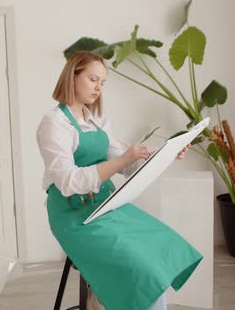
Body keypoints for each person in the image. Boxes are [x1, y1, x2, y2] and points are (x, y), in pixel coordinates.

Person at [36, 51, 203, 310]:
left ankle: (107, 299)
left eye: (102, 83)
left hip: (107, 204)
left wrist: (166, 156)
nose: (98, 88)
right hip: (73, 215)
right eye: (93, 79)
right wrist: (124, 160)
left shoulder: (97, 120)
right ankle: (109, 299)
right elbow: (69, 181)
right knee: (143, 270)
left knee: (161, 248)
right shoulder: (54, 124)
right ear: (73, 75)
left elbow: (128, 165)